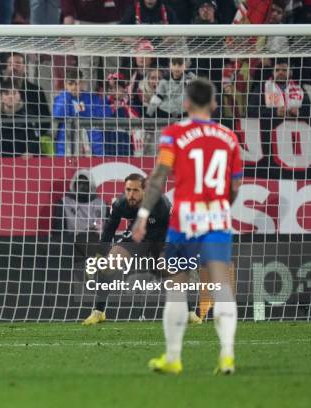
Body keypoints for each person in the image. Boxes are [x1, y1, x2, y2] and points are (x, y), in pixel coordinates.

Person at [132, 78, 242, 375]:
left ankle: (173, 357)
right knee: (220, 284)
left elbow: (158, 178)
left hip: (185, 221)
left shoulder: (175, 134)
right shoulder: (229, 137)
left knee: (176, 288)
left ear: (186, 103)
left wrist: (142, 215)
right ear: (214, 104)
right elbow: (235, 184)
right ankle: (227, 355)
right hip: (217, 218)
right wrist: (221, 205)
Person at [82, 173, 171, 325]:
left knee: (169, 266)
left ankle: (189, 311)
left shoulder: (160, 203)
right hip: (136, 237)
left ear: (145, 190)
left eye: (135, 190)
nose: (131, 194)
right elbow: (109, 229)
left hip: (160, 238)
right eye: (128, 189)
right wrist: (99, 255)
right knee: (109, 264)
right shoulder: (121, 204)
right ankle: (99, 311)